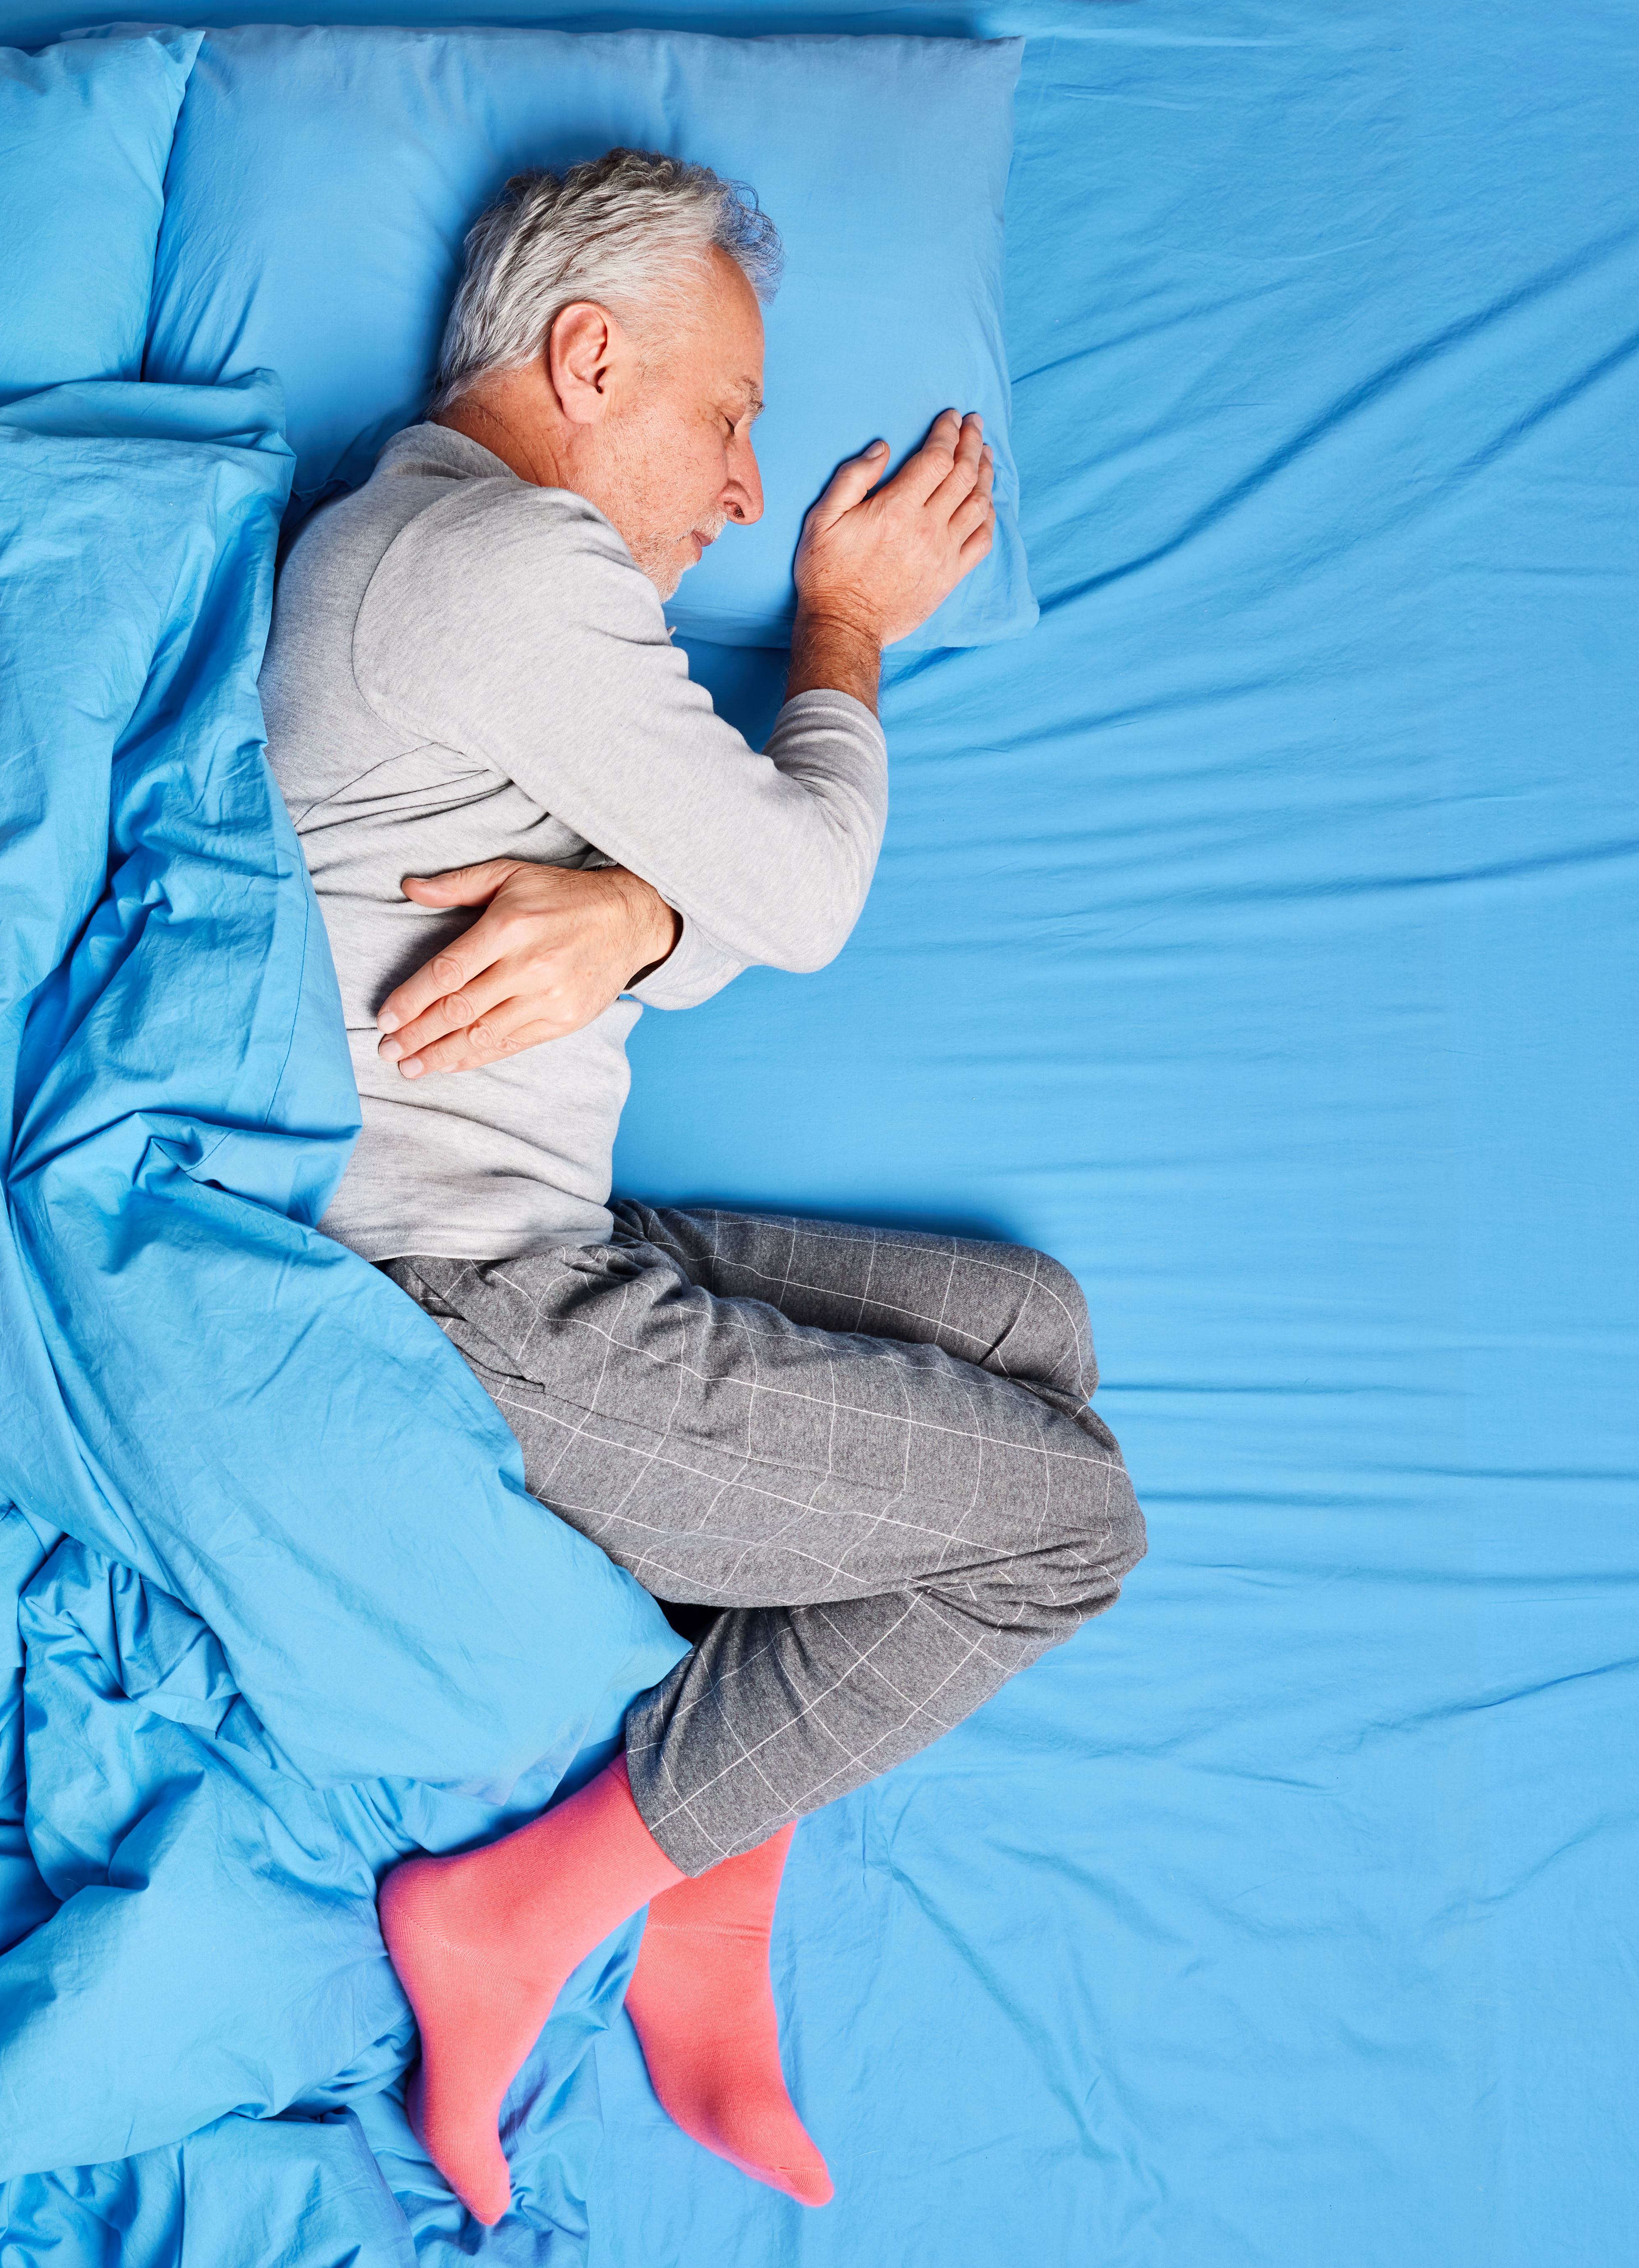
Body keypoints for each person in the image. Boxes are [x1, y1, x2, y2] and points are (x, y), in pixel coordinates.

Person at [259, 150, 1146, 2224]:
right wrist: (842, 630)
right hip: (465, 1302)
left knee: (1028, 1331)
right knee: (1062, 1532)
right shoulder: (500, 567)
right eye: (727, 417)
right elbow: (804, 890)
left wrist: (628, 922)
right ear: (585, 356)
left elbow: (736, 904)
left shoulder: (429, 559)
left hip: (510, 1244)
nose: (743, 489)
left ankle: (708, 1882)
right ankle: (520, 1909)